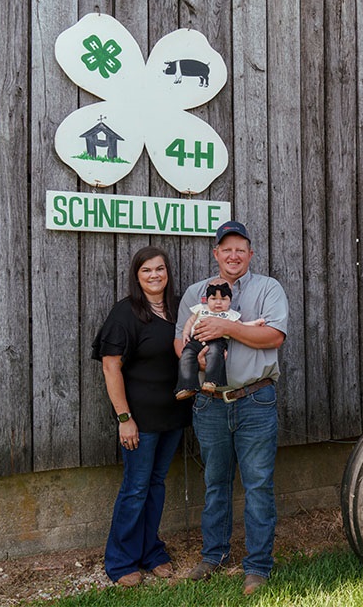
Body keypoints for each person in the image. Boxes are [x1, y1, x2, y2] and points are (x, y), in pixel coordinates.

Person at [176, 221, 289, 596]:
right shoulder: (196, 292)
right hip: (209, 402)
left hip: (255, 398)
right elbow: (181, 341)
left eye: (241, 249)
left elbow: (273, 335)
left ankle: (257, 567)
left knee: (258, 485)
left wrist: (224, 327)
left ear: (250, 254)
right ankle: (214, 556)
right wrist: (199, 363)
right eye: (227, 249)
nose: (234, 255)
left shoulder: (267, 288)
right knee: (215, 484)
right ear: (216, 254)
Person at [90, 246, 191, 587]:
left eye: (160, 269)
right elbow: (110, 366)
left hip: (173, 415)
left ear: (168, 273)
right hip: (139, 420)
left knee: (155, 485)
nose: (154, 276)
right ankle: (120, 562)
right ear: (137, 276)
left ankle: (151, 552)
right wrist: (124, 418)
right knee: (135, 488)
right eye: (146, 270)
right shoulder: (125, 313)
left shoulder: (179, 309)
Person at [175, 280, 265, 400]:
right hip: (195, 340)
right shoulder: (201, 309)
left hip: (215, 341)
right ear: (207, 299)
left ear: (230, 301)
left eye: (223, 299)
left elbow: (241, 325)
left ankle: (211, 381)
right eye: (213, 298)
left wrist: (255, 323)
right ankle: (187, 386)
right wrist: (185, 333)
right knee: (186, 356)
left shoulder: (229, 315)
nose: (218, 303)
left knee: (214, 355)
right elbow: (190, 321)